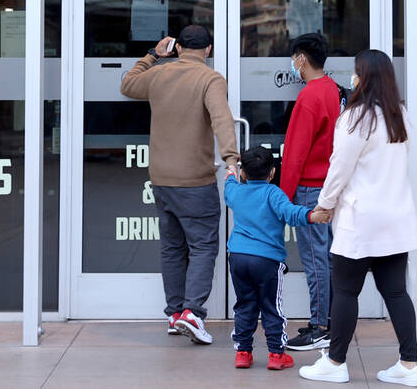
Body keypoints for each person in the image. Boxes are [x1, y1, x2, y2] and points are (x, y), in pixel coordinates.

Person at [299, 49, 417, 387]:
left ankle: (336, 362)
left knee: (345, 291)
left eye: (355, 72)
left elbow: (339, 168)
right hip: (395, 219)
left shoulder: (355, 118)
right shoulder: (401, 115)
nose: (352, 78)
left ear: (363, 77)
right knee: (396, 292)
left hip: (361, 219)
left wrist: (324, 205)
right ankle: (410, 365)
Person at [121, 23, 239, 345]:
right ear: (208, 51)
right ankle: (192, 313)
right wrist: (231, 159)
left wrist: (151, 56)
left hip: (161, 178)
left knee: (172, 247)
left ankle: (174, 315)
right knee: (202, 246)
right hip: (194, 180)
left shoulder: (159, 73)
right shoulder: (210, 78)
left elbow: (128, 85)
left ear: (177, 48)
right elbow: (221, 119)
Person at [224, 145, 329, 370]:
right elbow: (291, 213)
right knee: (271, 306)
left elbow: (228, 186)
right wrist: (312, 215)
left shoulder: (236, 191)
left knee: (244, 304)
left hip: (238, 257)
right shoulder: (273, 194)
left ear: (244, 173)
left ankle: (243, 352)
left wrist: (230, 173)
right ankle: (276, 354)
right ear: (272, 172)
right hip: (267, 261)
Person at [280, 32, 341, 351]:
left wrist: (282, 197)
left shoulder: (310, 96)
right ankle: (329, 320)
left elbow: (295, 152)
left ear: (301, 58)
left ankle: (320, 327)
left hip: (309, 189)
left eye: (293, 57)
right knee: (327, 257)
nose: (293, 64)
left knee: (316, 259)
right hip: (329, 185)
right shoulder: (332, 90)